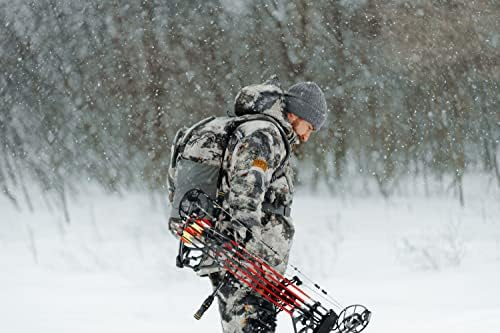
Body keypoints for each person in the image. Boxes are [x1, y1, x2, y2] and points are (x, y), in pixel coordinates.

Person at [206, 78, 328, 333]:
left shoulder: (269, 134)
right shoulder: (264, 135)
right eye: (309, 127)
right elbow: (245, 193)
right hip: (248, 261)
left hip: (255, 263)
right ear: (296, 114)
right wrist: (249, 253)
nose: (305, 136)